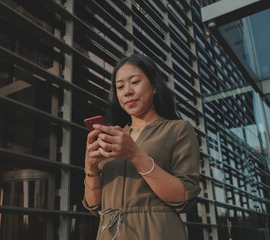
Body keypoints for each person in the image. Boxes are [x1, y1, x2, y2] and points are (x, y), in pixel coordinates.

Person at [82, 54, 201, 240]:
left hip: (157, 233)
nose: (127, 91)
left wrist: (136, 155)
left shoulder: (178, 129)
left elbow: (184, 199)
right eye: (120, 87)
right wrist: (91, 168)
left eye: (135, 82)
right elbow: (94, 206)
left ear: (154, 86)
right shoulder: (113, 136)